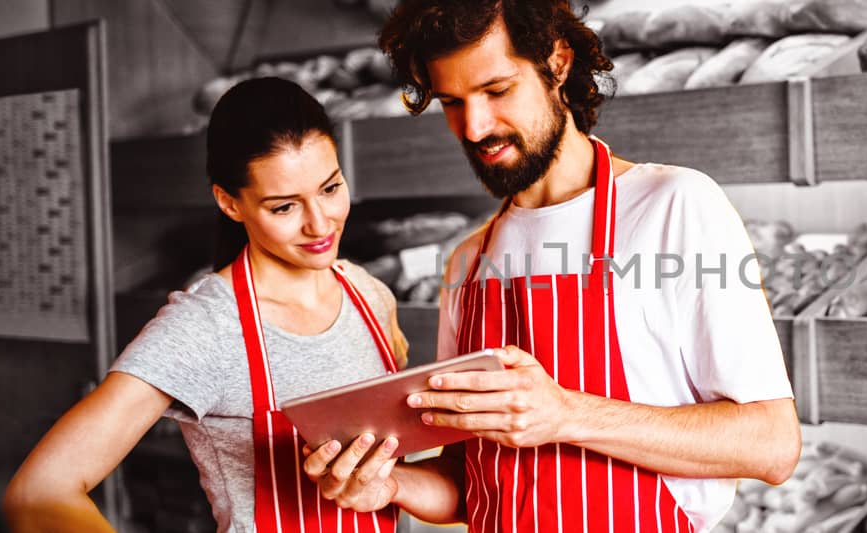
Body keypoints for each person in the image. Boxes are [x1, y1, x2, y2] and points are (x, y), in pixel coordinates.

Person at [303, 1, 802, 531]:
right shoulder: (470, 262)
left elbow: (772, 443)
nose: (473, 127)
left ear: (558, 62)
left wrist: (565, 414)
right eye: (452, 101)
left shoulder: (674, 206)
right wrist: (389, 486)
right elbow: (475, 484)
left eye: (497, 91)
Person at [4, 77, 411, 532]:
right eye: (283, 208)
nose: (320, 224)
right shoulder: (206, 326)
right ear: (230, 203)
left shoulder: (369, 293)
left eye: (330, 188)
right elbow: (38, 493)